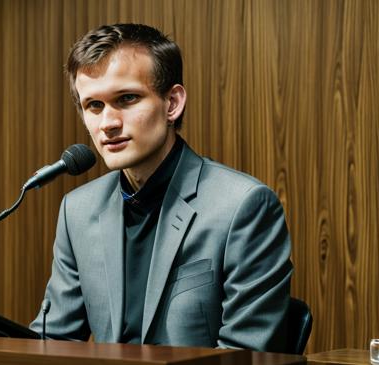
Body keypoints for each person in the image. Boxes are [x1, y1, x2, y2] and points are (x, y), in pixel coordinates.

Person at [30, 23, 293, 352]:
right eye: (94, 106)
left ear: (172, 103)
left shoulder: (243, 206)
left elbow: (245, 355)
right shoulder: (77, 210)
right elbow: (53, 343)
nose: (108, 123)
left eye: (127, 98)